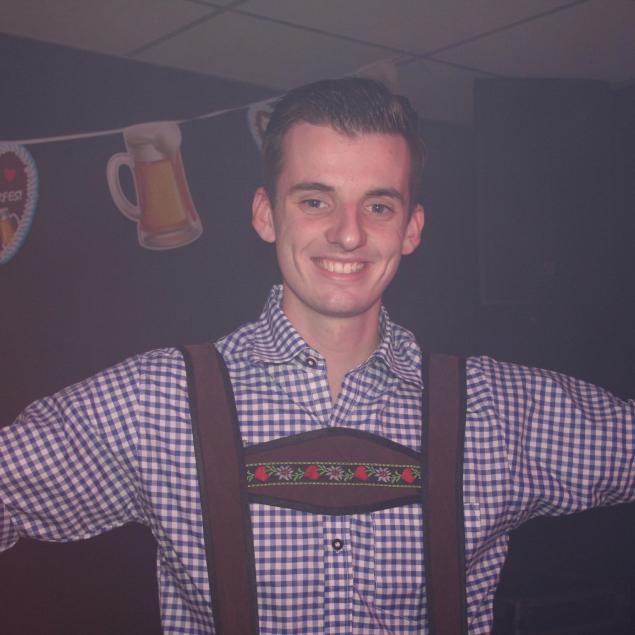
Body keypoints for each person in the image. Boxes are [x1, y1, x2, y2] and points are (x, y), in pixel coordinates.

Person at [0, 78, 633, 635]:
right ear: (265, 215)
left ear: (411, 229)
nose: (348, 233)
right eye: (314, 200)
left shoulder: (502, 410)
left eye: (378, 206)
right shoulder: (153, 403)